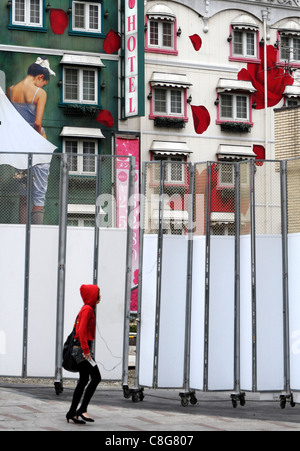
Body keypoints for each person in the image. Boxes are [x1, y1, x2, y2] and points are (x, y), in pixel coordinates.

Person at [6, 57, 55, 224]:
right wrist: (35, 141)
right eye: (44, 83)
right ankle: (36, 236)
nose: (43, 87)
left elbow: (10, 121)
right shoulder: (39, 93)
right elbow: (37, 122)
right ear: (40, 77)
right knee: (39, 196)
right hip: (37, 147)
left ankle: (22, 233)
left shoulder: (11, 90)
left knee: (23, 193)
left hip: (19, 148)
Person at [66, 285, 102, 425]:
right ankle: (82, 409)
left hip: (80, 349)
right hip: (82, 350)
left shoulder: (86, 308)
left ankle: (72, 413)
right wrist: (86, 351)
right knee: (96, 377)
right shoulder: (87, 309)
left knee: (83, 380)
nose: (100, 296)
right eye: (98, 293)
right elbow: (81, 331)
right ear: (93, 295)